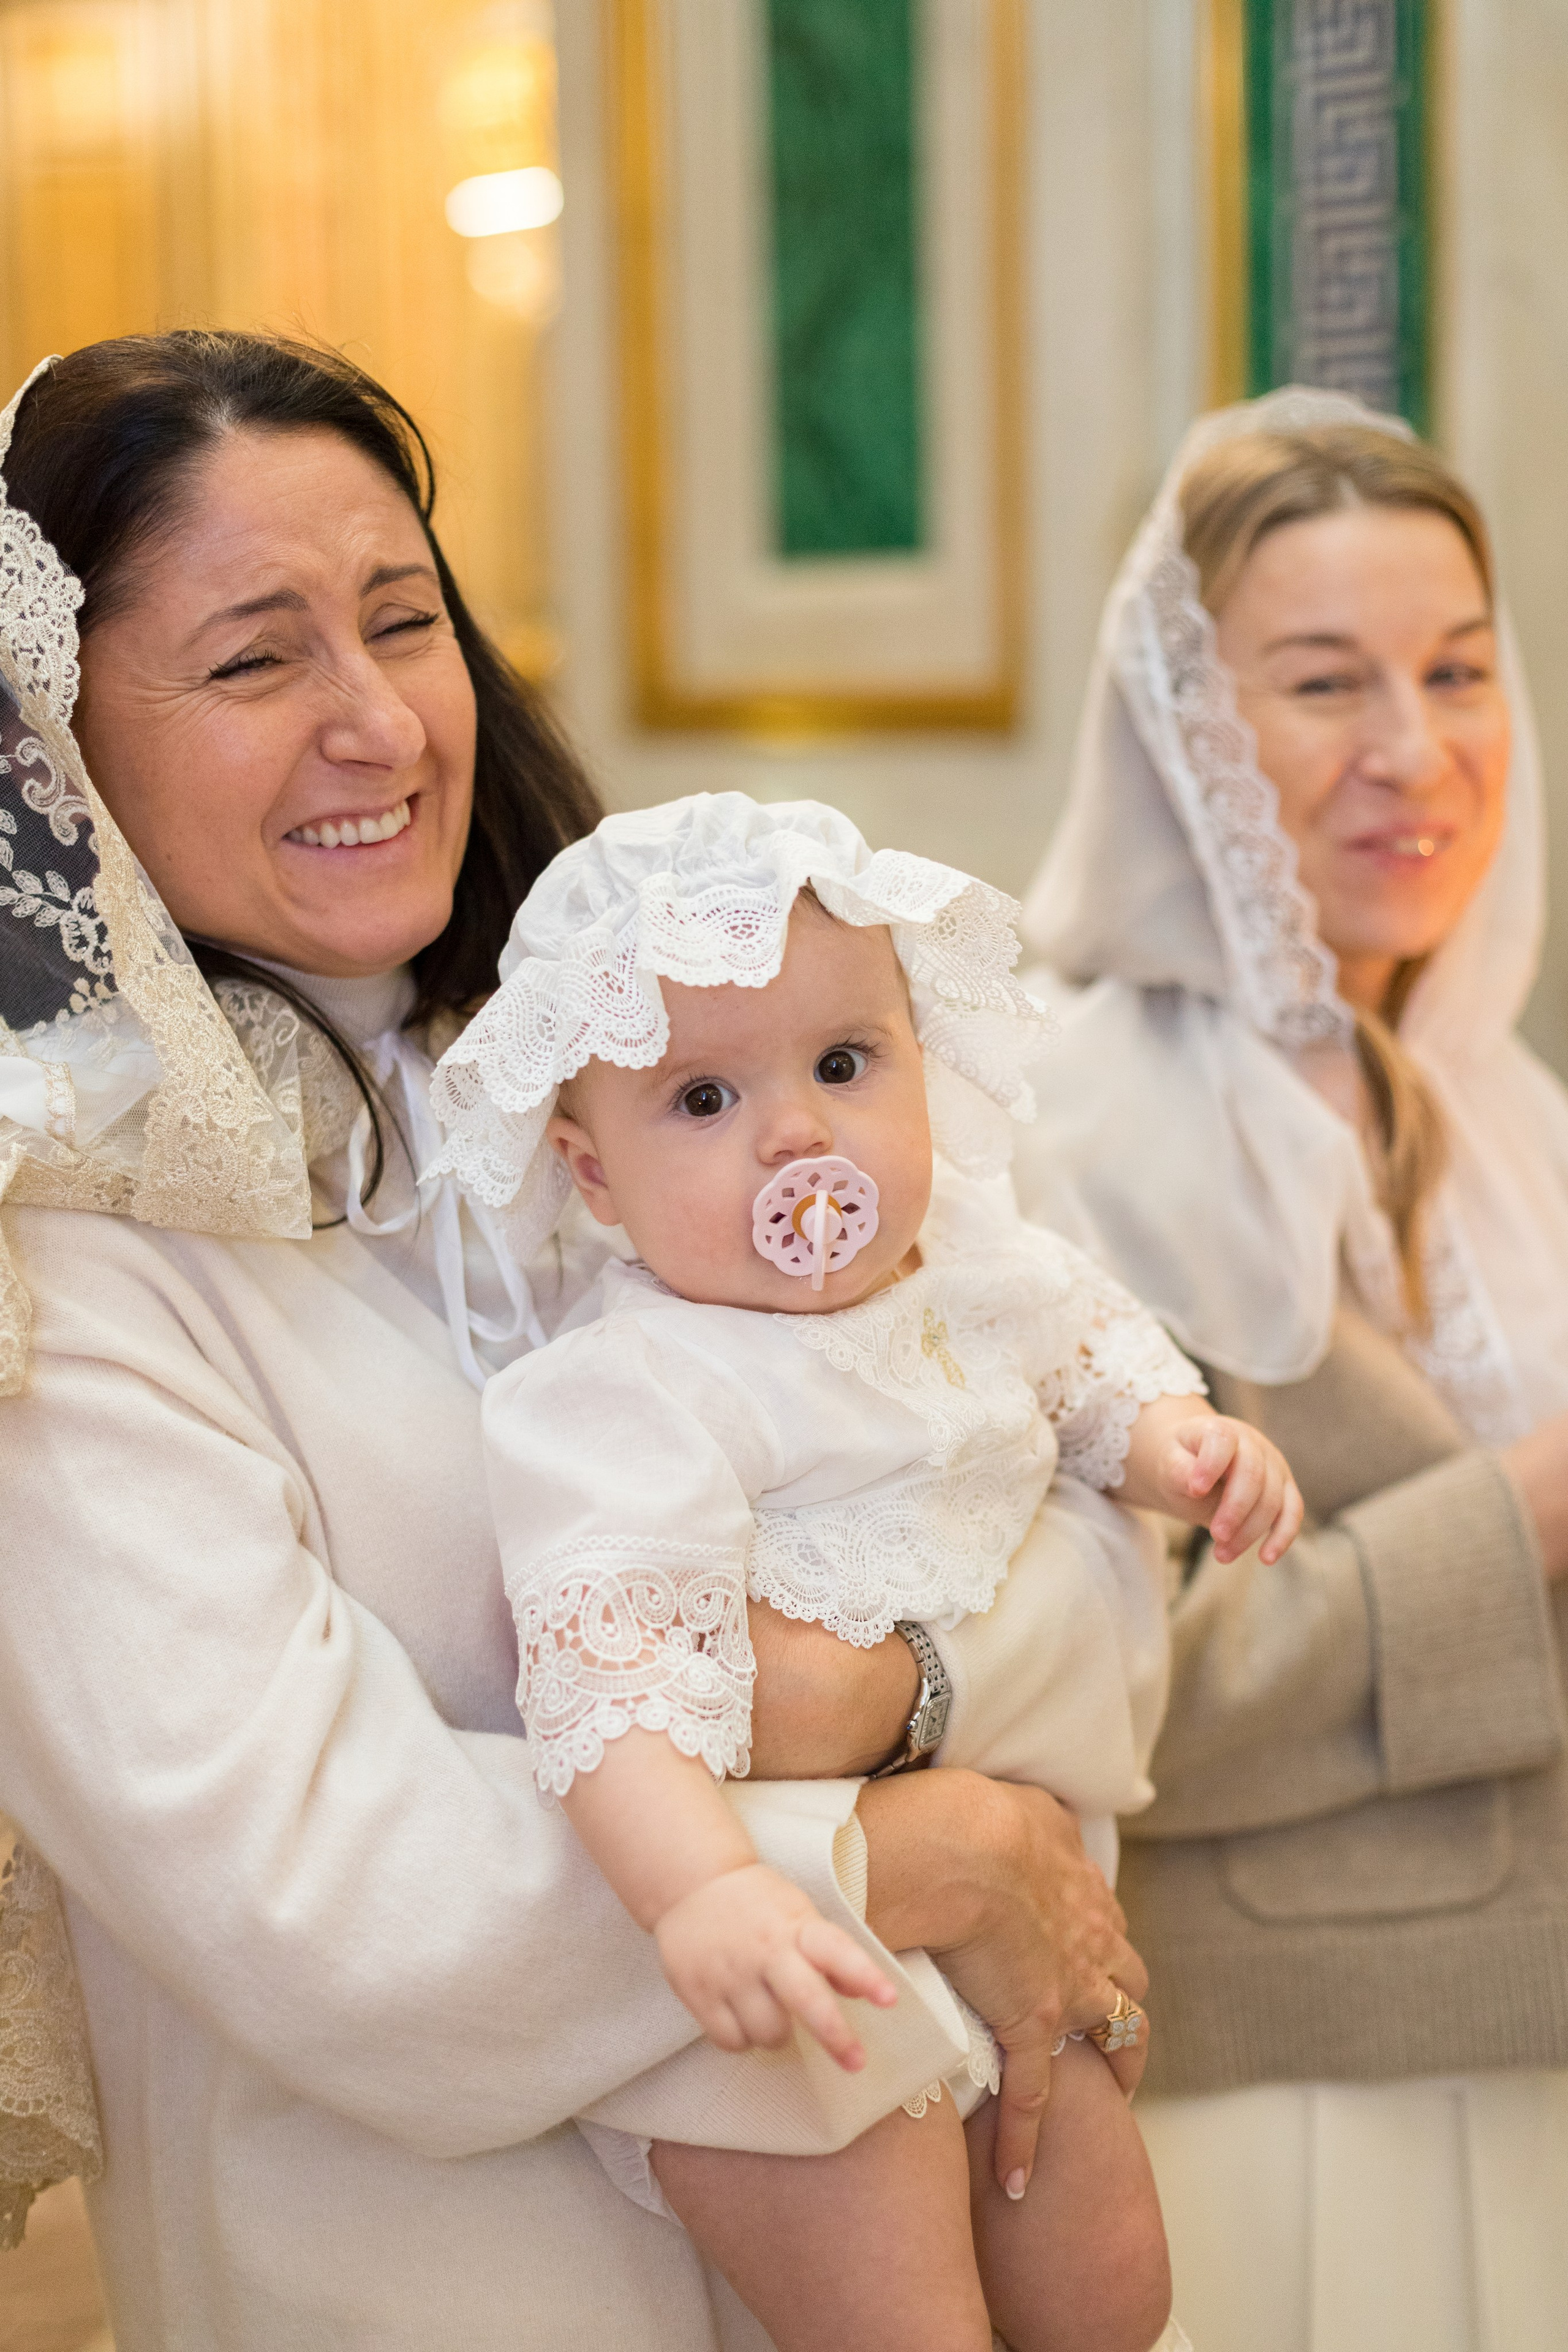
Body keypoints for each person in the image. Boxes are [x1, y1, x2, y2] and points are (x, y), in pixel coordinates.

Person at [0, 330, 1150, 2352]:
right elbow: (323, 1893)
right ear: (55, 744)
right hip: (424, 2282)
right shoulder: (64, 1267)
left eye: (401, 620)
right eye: (259, 660)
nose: (375, 722)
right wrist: (911, 1842)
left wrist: (878, 1690)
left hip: (902, 2192)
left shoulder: (653, 1069)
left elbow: (1048, 1486)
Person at [434, 793, 1301, 2352]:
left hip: (1015, 1906)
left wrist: (1179, 1442)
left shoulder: (971, 1263)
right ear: (593, 1176)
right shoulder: (631, 1393)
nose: (797, 1137)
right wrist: (703, 1889)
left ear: (920, 1056)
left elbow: (1091, 1360)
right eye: (702, 1097)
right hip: (792, 1951)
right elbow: (609, 1669)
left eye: (844, 1064)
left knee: (1110, 2290)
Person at [1016, 384, 1568, 2352]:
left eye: (1460, 672)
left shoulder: (1505, 1113)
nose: (1413, 754)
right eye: (1324, 684)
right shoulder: (1051, 1127)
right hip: (1275, 2089)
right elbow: (1097, 1699)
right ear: (1184, 733)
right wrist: (1517, 1520)